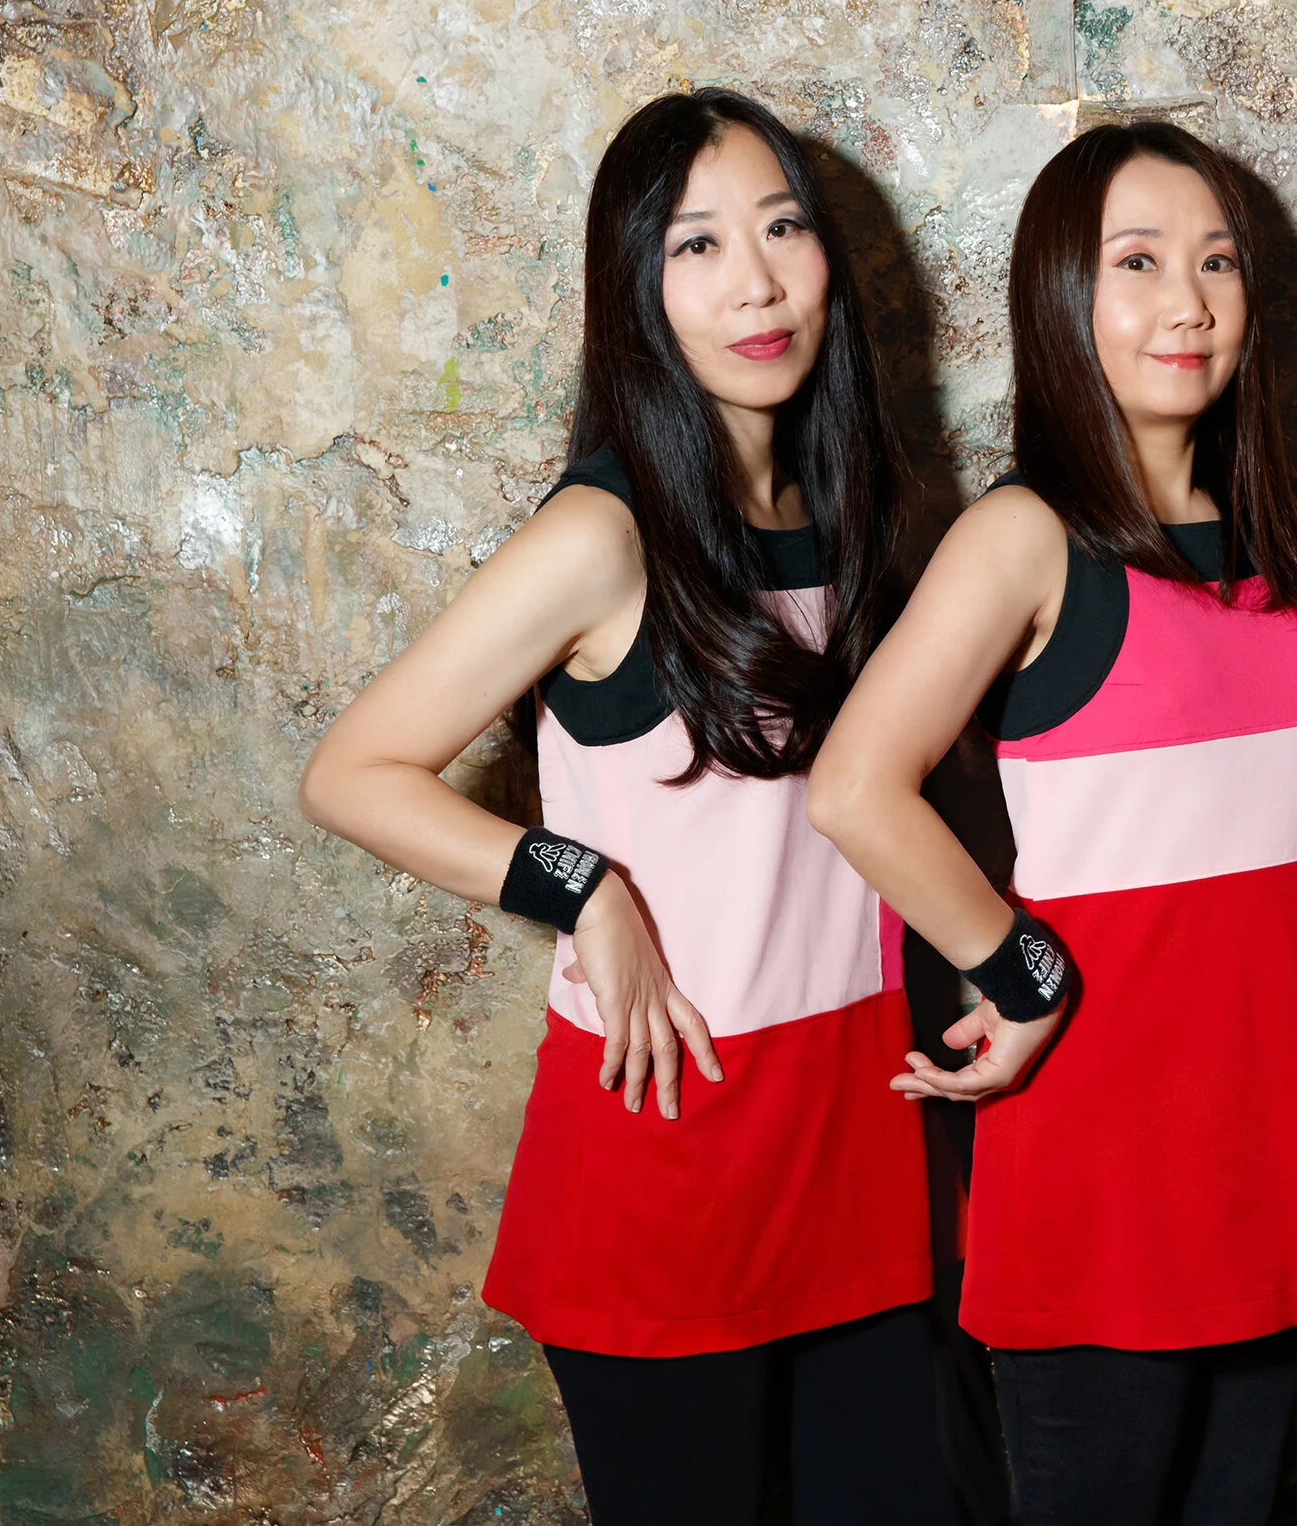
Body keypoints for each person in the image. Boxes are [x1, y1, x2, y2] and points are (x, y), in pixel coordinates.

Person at [298, 88, 954, 1526]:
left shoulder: (857, 516)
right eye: (697, 245)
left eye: (782, 229)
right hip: (670, 1148)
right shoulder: (601, 533)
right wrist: (581, 887)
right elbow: (352, 771)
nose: (756, 283)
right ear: (636, 292)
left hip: (854, 1131)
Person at [806, 120, 1297, 1526]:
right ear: (1063, 295)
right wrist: (1023, 972)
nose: (1189, 304)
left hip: (1279, 1153)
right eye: (1139, 263)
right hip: (1101, 1172)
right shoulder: (1025, 538)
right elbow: (855, 785)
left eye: (1218, 263)